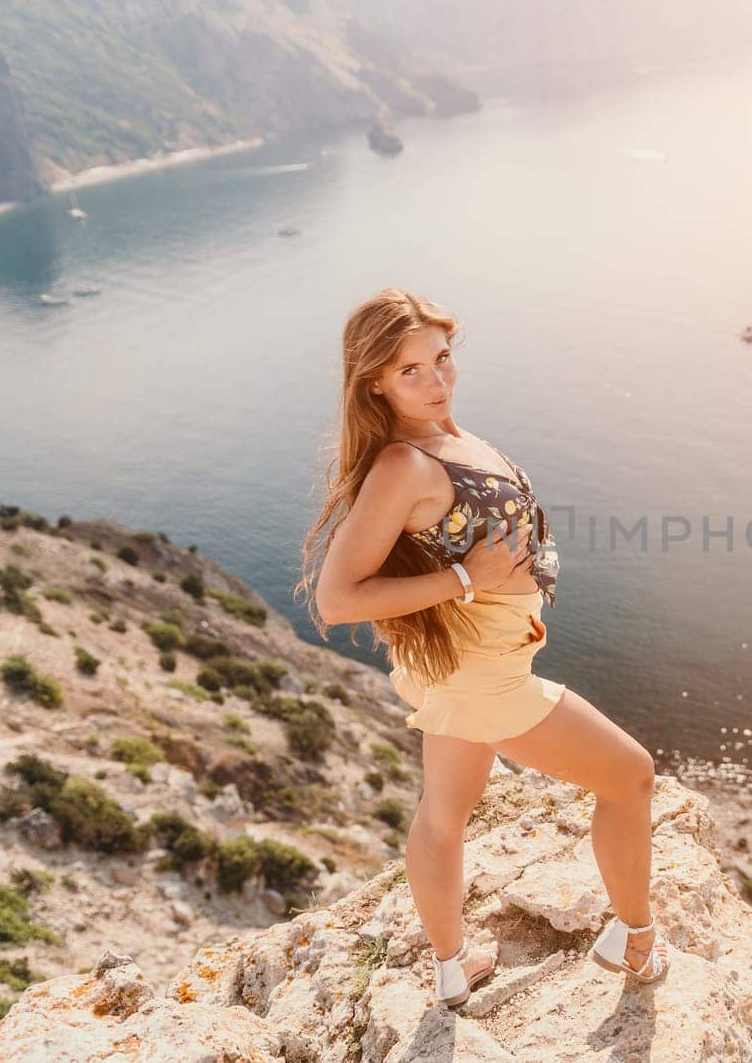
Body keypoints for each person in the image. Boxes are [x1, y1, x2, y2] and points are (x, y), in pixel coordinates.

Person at [295, 287, 670, 1007]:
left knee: (443, 816)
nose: (436, 381)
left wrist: (511, 608)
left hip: (473, 666)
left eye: (441, 358)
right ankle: (637, 940)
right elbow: (337, 599)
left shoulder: (448, 438)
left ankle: (452, 967)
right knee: (631, 775)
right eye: (411, 372)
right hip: (483, 681)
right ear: (373, 381)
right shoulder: (403, 467)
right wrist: (469, 578)